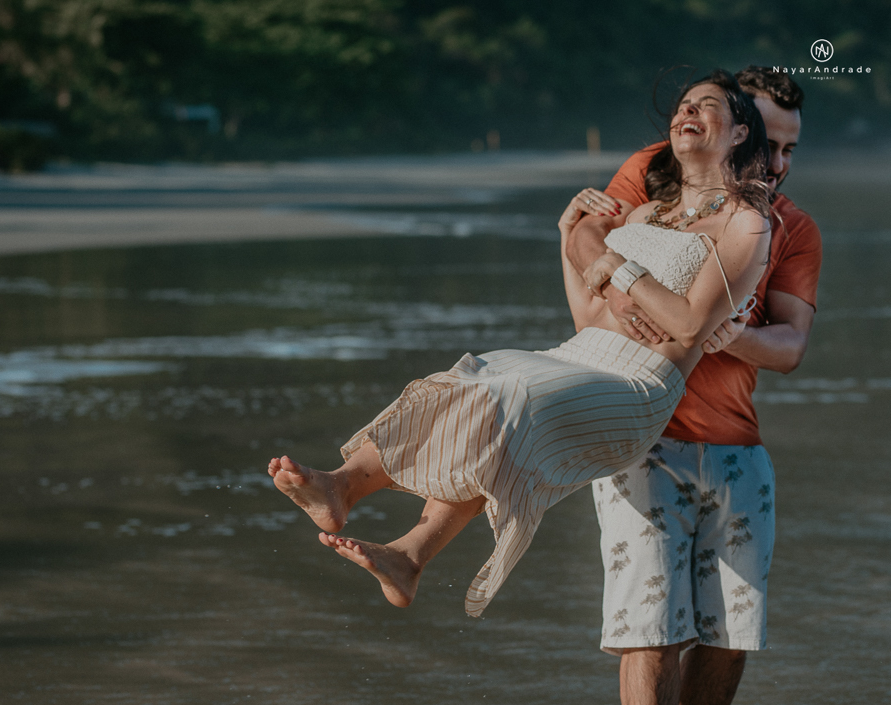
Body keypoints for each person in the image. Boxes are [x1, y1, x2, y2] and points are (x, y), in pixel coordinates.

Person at [268, 69, 772, 620]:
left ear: (740, 133)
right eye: (681, 107)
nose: (686, 114)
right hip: (579, 356)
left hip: (639, 384)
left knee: (512, 396)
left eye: (705, 106)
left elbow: (694, 325)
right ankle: (395, 543)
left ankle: (358, 501)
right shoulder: (646, 212)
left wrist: (619, 268)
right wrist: (567, 238)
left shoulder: (746, 222)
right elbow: (588, 316)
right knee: (476, 378)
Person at [560, 67, 821, 705]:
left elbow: (789, 346)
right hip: (647, 433)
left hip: (737, 446)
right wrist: (654, 306)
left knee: (733, 633)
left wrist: (727, 335)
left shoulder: (792, 227)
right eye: (769, 142)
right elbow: (592, 239)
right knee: (648, 632)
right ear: (738, 130)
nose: (779, 161)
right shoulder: (656, 173)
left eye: (791, 149)